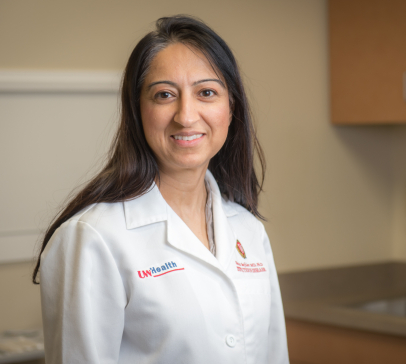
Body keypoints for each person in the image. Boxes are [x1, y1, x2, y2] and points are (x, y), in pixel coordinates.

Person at [33, 15, 289, 364]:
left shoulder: (248, 229)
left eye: (207, 92)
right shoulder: (93, 238)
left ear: (232, 108)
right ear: (138, 111)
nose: (186, 116)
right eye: (165, 94)